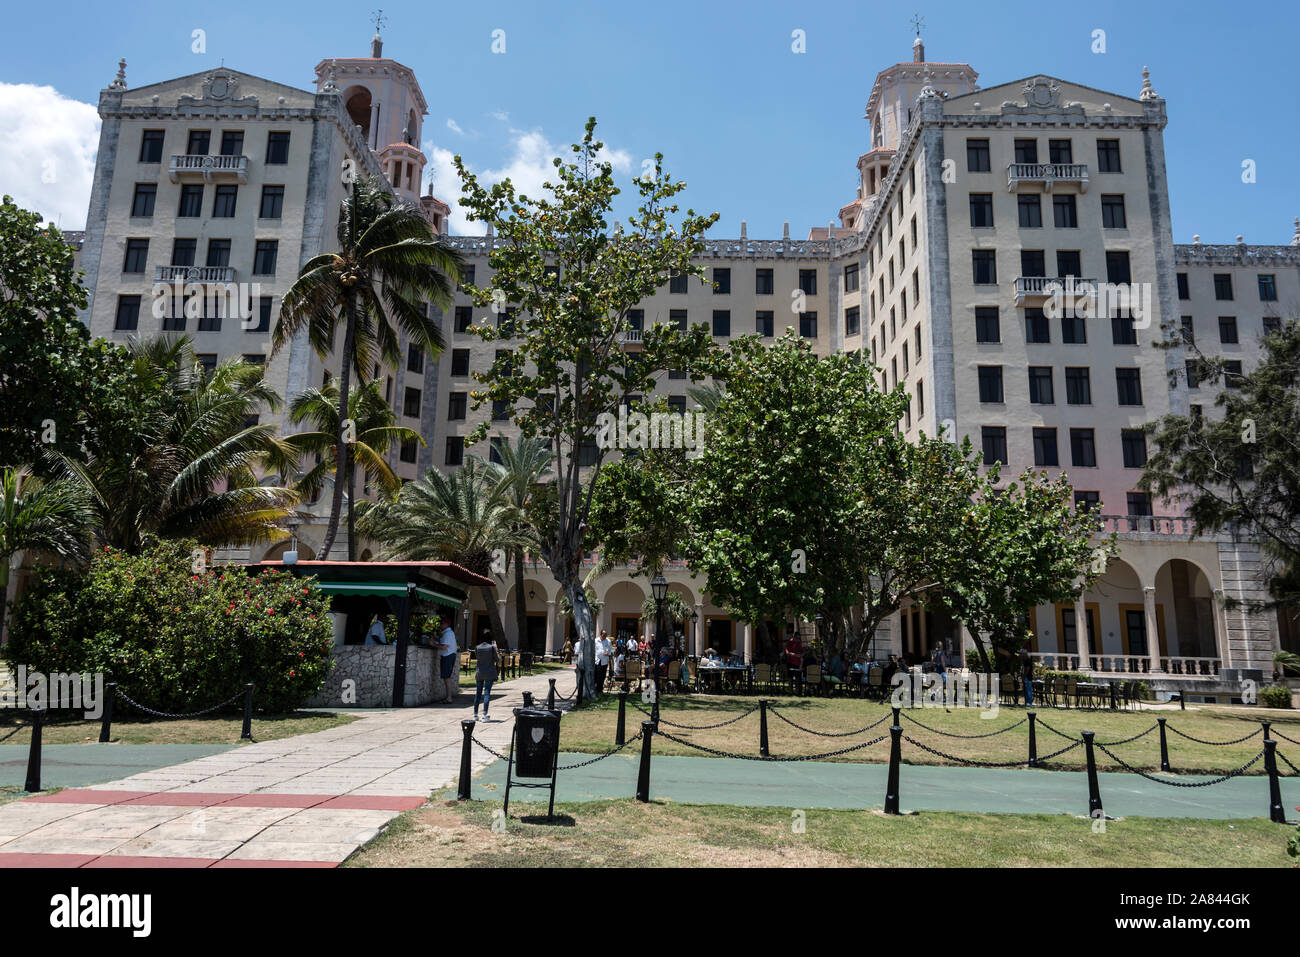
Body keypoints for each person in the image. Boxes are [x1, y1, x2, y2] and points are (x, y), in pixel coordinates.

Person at [474, 634, 498, 720]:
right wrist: (495, 649)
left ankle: (475, 715)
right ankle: (484, 715)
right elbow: (497, 659)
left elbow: (477, 658)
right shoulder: (491, 648)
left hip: (479, 672)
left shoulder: (477, 647)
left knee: (478, 693)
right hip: (489, 672)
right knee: (487, 692)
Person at [437, 615, 459, 703]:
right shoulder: (448, 633)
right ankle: (449, 697)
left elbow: (444, 647)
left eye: (441, 623)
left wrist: (433, 644)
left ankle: (449, 697)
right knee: (447, 677)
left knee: (447, 677)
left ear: (446, 624)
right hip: (449, 655)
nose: (440, 625)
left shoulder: (448, 633)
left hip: (447, 655)